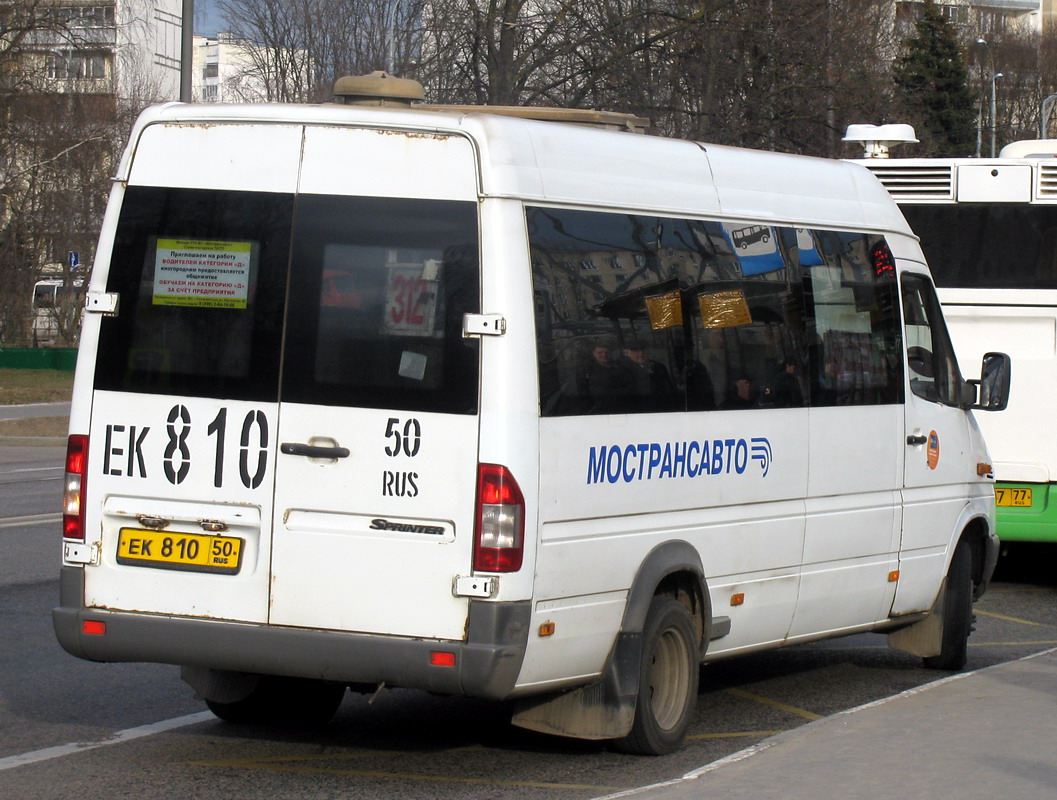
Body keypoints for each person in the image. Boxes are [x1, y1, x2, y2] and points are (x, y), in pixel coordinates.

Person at [620, 341, 678, 412]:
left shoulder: (659, 367)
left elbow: (668, 389)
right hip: (633, 410)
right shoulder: (622, 370)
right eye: (636, 350)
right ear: (629, 353)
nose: (641, 353)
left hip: (658, 408)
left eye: (643, 350)